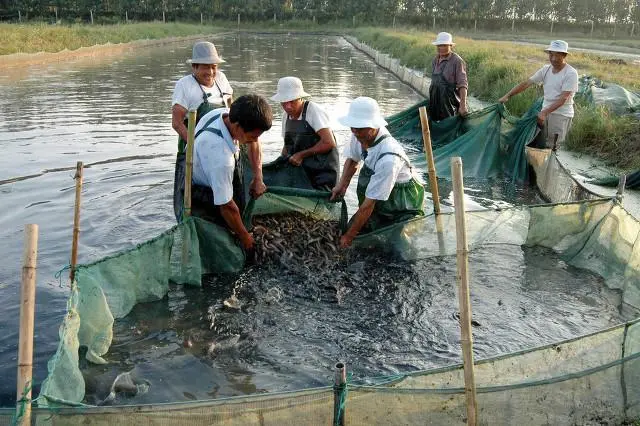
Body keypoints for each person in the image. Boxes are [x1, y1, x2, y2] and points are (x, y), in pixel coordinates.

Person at [172, 41, 265, 221]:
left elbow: (233, 111)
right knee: (198, 194)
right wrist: (195, 146)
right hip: (196, 149)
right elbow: (177, 123)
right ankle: (197, 223)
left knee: (228, 185)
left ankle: (232, 217)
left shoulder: (221, 80)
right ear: (194, 67)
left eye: (214, 67)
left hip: (224, 142)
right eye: (205, 68)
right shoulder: (185, 86)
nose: (211, 73)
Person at [330, 97, 425, 248]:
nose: (354, 132)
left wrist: (348, 237)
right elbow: (353, 160)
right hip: (378, 202)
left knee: (399, 250)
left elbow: (369, 204)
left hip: (402, 207)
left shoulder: (389, 158)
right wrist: (342, 185)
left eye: (359, 128)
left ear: (374, 126)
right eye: (352, 128)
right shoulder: (359, 133)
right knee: (359, 237)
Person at [191, 94, 273, 251]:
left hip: (210, 164)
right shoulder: (221, 157)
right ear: (237, 127)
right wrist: (245, 237)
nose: (255, 141)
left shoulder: (225, 114)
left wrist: (258, 176)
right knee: (219, 238)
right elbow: (226, 206)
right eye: (252, 136)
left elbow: (255, 143)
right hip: (201, 188)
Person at [498, 40, 579, 150]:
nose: (554, 59)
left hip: (561, 115)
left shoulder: (571, 73)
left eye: (558, 55)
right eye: (551, 54)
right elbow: (527, 83)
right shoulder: (546, 70)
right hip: (544, 112)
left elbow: (563, 98)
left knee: (552, 146)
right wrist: (508, 95)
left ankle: (548, 166)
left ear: (564, 55)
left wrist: (544, 112)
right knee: (538, 144)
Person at [270, 76, 339, 189]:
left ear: (300, 98)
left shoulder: (314, 111)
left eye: (291, 101)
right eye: (283, 102)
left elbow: (329, 142)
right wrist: (281, 162)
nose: (287, 106)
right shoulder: (285, 116)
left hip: (322, 174)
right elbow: (286, 146)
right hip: (301, 173)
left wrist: (301, 154)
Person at [429, 32, 468, 121]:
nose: (441, 48)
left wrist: (463, 105)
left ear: (451, 46)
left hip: (450, 106)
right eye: (439, 46)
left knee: (448, 126)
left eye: (444, 45)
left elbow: (463, 84)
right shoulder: (435, 60)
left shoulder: (457, 61)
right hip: (435, 104)